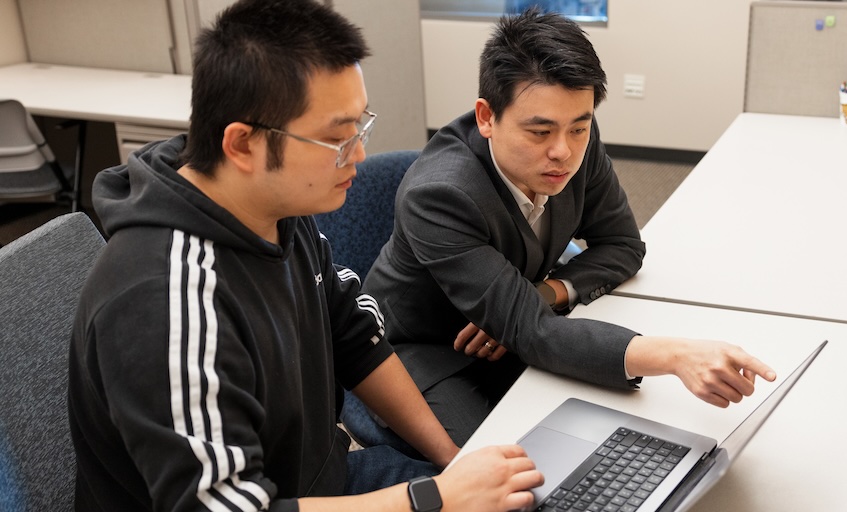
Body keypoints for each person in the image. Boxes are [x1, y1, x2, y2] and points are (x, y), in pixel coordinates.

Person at [67, 1, 543, 510]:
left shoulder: (272, 205)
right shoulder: (164, 301)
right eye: (337, 138)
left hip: (318, 482)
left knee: (523, 493)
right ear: (242, 144)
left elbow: (354, 338)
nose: (358, 153)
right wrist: (435, 498)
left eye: (358, 127)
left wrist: (453, 462)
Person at [360, 8, 777, 447]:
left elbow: (622, 245)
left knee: (605, 424)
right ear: (486, 117)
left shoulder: (579, 141)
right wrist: (675, 355)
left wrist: (546, 292)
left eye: (579, 126)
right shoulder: (440, 194)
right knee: (502, 465)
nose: (563, 152)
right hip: (424, 348)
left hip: (512, 325)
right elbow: (533, 332)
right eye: (539, 132)